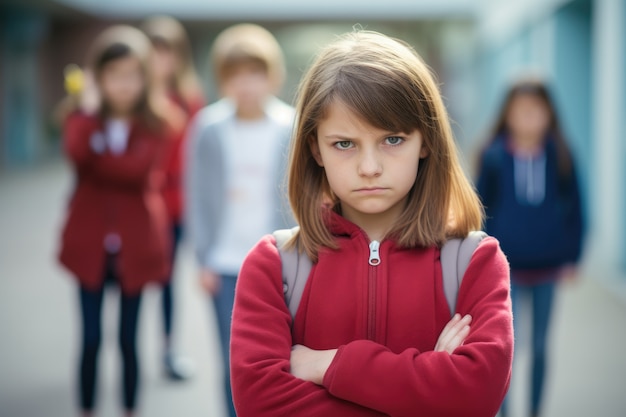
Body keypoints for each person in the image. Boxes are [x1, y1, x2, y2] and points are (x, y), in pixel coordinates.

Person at [230, 30, 513, 417]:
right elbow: (260, 404)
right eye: (344, 144)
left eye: (392, 140)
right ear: (315, 148)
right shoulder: (273, 265)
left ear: (426, 140)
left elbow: (475, 397)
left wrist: (326, 366)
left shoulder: (474, 261)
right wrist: (426, 387)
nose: (369, 168)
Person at [57, 25, 172, 417]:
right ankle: (86, 409)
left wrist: (98, 156)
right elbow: (75, 154)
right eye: (114, 75)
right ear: (98, 78)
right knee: (89, 339)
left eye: (132, 75)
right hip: (89, 246)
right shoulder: (81, 118)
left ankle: (129, 408)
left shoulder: (157, 123)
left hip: (134, 248)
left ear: (145, 77)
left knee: (128, 340)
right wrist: (88, 113)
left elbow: (134, 172)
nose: (123, 85)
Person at [185, 23, 294, 417]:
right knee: (233, 360)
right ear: (222, 80)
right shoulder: (208, 128)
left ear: (271, 75)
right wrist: (202, 259)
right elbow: (195, 195)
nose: (245, 84)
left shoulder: (291, 125)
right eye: (235, 75)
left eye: (255, 73)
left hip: (283, 262)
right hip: (227, 263)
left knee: (284, 356)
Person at [476, 78, 584, 417]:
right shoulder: (493, 156)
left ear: (549, 114)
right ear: (506, 114)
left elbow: (578, 209)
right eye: (520, 111)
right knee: (508, 345)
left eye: (536, 111)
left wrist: (573, 256)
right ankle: (504, 411)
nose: (528, 118)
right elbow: (480, 211)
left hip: (548, 267)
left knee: (539, 346)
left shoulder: (561, 154)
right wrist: (479, 261)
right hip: (504, 270)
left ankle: (536, 409)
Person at [141, 15, 205, 381]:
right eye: (154, 52)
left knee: (167, 280)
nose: (160, 61)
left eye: (167, 53)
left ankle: (168, 349)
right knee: (129, 281)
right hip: (139, 205)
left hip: (176, 206)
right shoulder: (133, 98)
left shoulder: (189, 99)